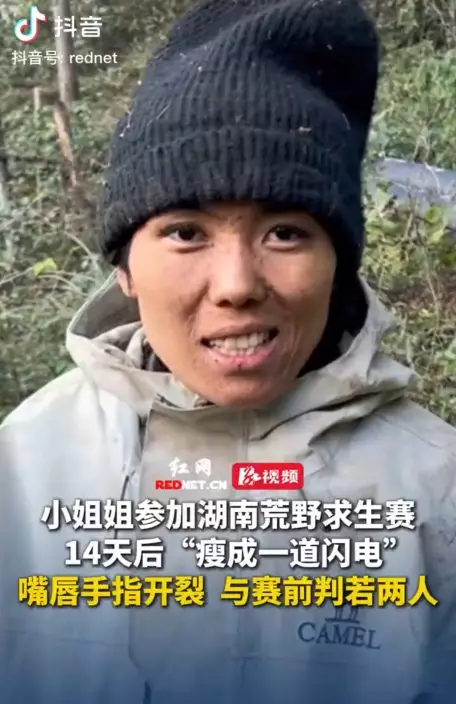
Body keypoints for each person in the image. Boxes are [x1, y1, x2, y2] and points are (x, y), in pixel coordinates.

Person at [1, 0, 455, 702]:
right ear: (124, 270)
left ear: (338, 263)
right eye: (186, 232)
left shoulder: (437, 491)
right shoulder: (24, 470)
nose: (238, 285)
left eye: (286, 233)